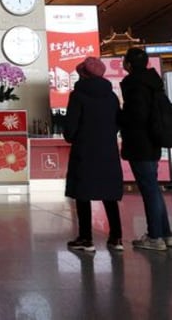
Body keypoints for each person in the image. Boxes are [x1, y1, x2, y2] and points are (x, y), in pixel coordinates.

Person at [62, 56, 123, 253]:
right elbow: (117, 123)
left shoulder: (78, 96)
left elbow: (70, 129)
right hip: (107, 151)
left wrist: (74, 136)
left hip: (85, 150)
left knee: (83, 194)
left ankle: (86, 239)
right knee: (109, 194)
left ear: (83, 75)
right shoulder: (112, 96)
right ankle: (116, 238)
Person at [118, 47, 172, 251]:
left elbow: (136, 116)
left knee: (149, 189)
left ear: (129, 64)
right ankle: (165, 234)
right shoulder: (153, 82)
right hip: (154, 141)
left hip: (140, 142)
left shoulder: (135, 84)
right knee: (153, 188)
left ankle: (155, 236)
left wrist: (120, 116)